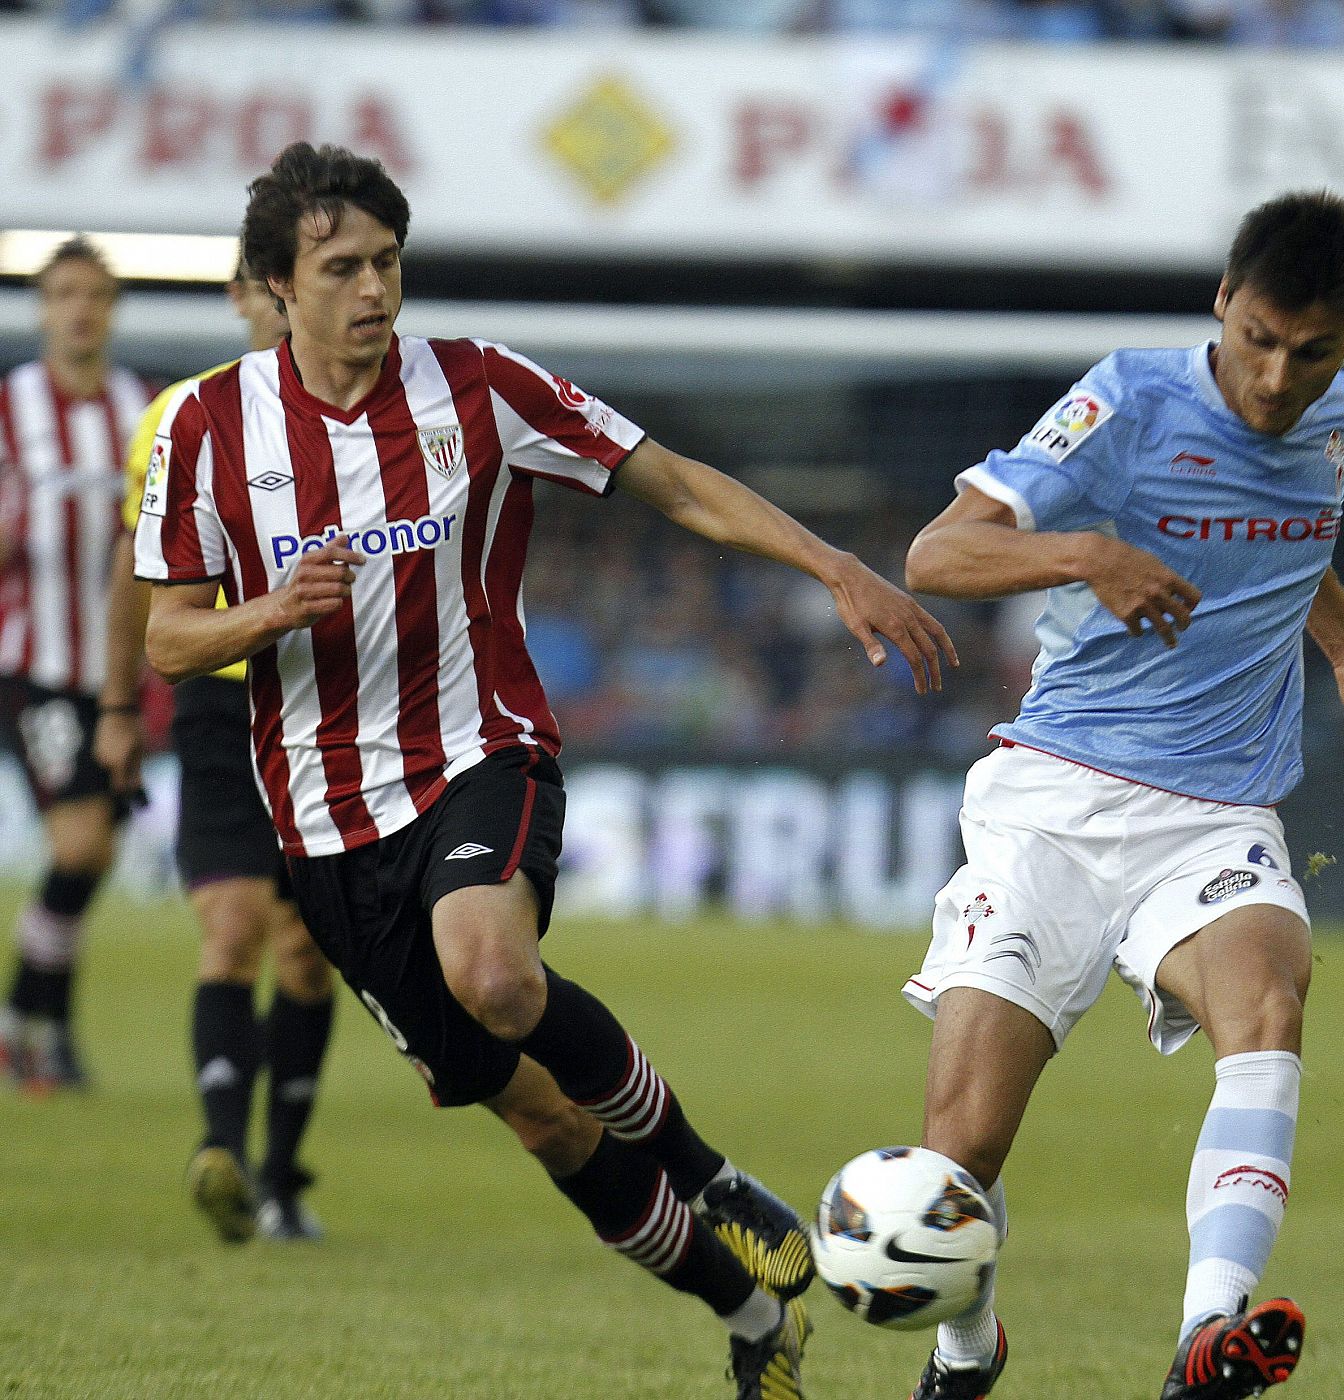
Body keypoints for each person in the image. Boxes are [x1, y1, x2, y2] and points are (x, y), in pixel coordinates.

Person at [134, 141, 956, 1398]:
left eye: (388, 261)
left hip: (482, 749)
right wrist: (264, 616)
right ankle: (749, 1317)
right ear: (273, 286)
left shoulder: (479, 387)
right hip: (325, 825)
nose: (373, 289)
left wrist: (836, 565)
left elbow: (671, 482)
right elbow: (167, 634)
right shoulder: (203, 424)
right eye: (341, 267)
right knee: (541, 1116)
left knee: (495, 970)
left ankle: (707, 1167)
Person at [899, 191, 1344, 1400]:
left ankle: (1206, 1337)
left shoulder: (1339, 419)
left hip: (1216, 816)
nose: (1277, 376)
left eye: (1311, 351)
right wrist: (1087, 549)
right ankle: (964, 1349)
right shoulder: (1127, 402)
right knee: (963, 1146)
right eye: (1257, 337)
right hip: (1051, 806)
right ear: (1221, 305)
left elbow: (1296, 535)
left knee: (1267, 1008)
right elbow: (937, 553)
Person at [94, 261, 338, 1243]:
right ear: (243, 293)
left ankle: (282, 1174)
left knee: (309, 958)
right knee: (232, 928)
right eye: (266, 283)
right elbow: (137, 577)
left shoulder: (366, 418)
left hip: (330, 708)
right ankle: (225, 1151)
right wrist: (118, 703)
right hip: (220, 705)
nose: (279, 304)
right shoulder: (174, 419)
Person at [0, 237, 153, 1092]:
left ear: (112, 307)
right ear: (43, 307)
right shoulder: (9, 407)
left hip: (122, 677)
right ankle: (35, 1025)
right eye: (63, 293)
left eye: (94, 293)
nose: (80, 308)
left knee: (95, 856)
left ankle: (33, 1023)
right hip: (36, 665)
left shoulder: (140, 408)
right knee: (81, 841)